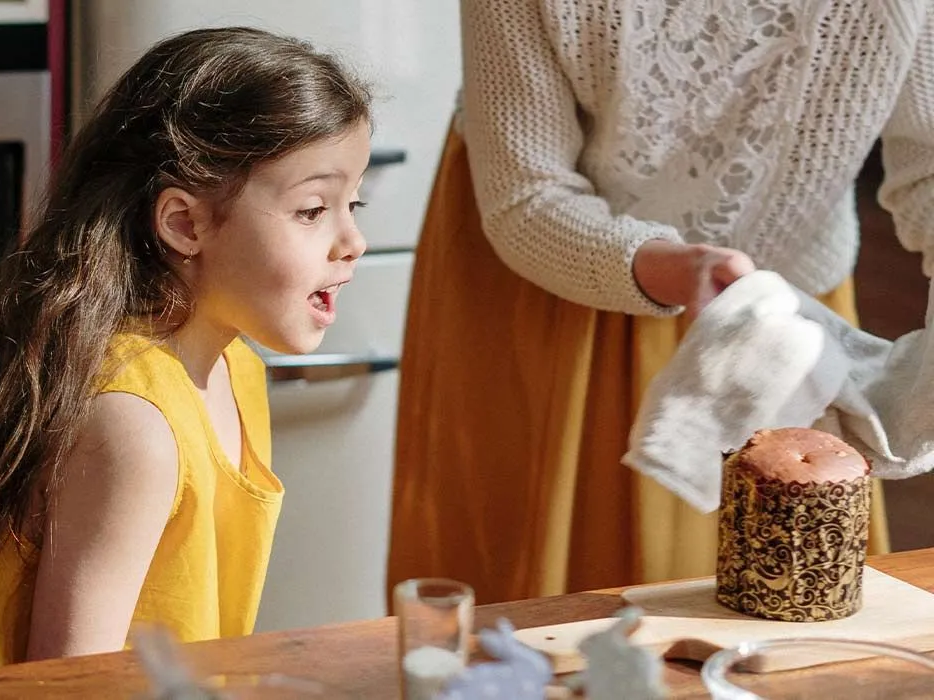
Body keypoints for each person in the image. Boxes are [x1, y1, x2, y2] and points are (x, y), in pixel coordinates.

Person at [388, 0, 916, 605]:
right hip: (551, 280)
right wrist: (672, 267)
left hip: (784, 297)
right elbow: (525, 195)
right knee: (536, 619)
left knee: (787, 595)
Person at [0, 26, 372, 678]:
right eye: (314, 210)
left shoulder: (235, 369)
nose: (354, 240)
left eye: (354, 203)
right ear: (184, 224)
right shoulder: (133, 421)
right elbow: (67, 685)